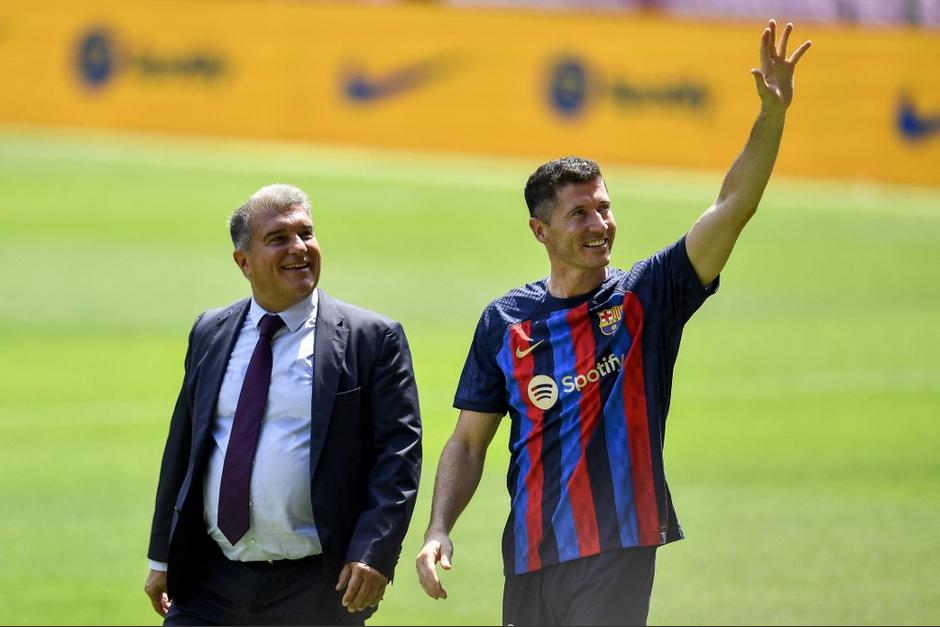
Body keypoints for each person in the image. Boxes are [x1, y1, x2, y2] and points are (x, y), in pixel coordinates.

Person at [415, 19, 810, 626]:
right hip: (527, 555)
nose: (599, 223)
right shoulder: (505, 321)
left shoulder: (648, 296)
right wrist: (439, 527)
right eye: (580, 213)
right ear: (540, 231)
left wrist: (773, 117)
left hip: (617, 547)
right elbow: (470, 442)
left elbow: (733, 208)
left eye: (604, 206)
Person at [144, 183, 422, 626]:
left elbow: (398, 457)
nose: (299, 248)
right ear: (244, 262)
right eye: (278, 238)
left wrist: (375, 552)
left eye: (306, 234)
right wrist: (162, 554)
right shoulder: (210, 331)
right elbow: (183, 448)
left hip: (315, 587)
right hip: (209, 580)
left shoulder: (372, 339)